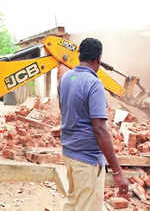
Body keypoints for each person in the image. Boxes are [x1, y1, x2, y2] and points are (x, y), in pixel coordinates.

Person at [58, 38, 129, 211]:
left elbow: (64, 110)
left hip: (69, 154)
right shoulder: (94, 84)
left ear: (80, 55)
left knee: (73, 202)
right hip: (86, 161)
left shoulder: (66, 78)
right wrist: (118, 171)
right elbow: (100, 129)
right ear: (98, 59)